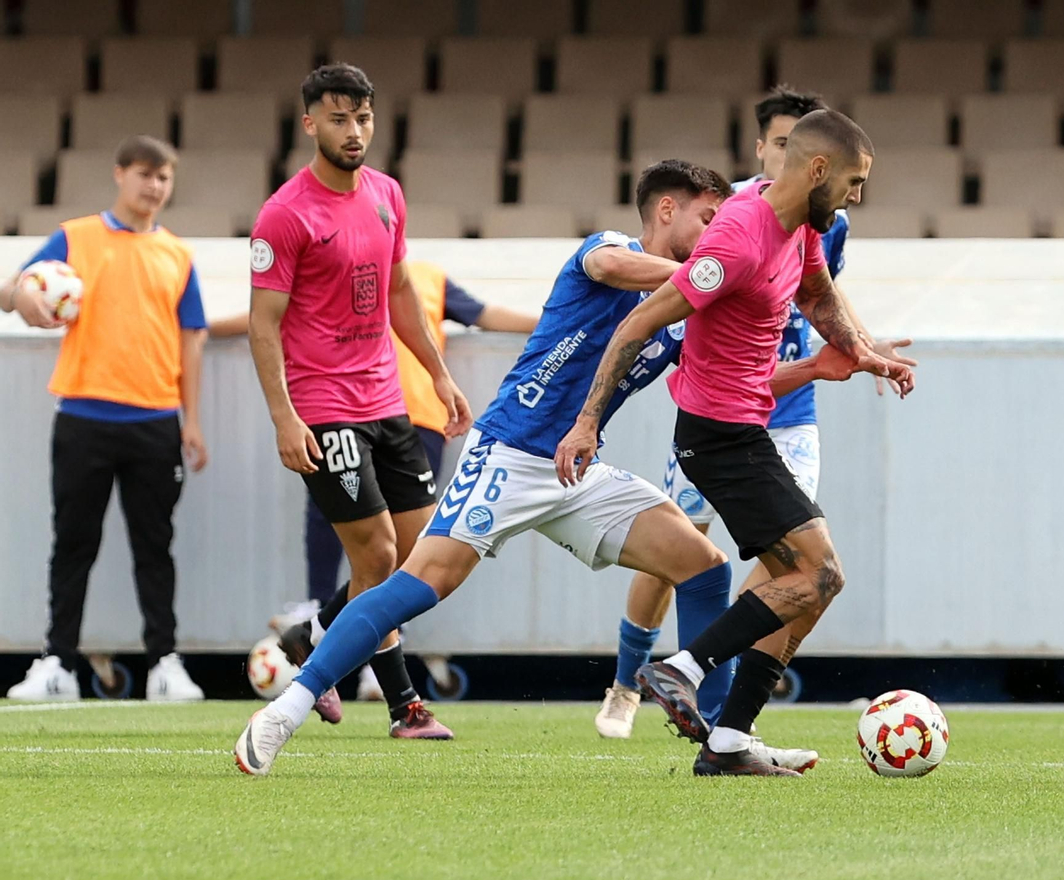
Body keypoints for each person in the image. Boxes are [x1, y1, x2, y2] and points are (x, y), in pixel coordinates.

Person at [234, 159, 877, 777]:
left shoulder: (688, 307)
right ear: (666, 209)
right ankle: (286, 709)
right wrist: (718, 272)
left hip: (578, 468)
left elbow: (729, 380)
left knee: (703, 567)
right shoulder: (610, 250)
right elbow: (614, 265)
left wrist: (815, 367)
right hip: (511, 452)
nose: (717, 234)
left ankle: (724, 741)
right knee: (420, 583)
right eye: (708, 220)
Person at [555, 109, 915, 777]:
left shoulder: (802, 225)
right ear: (818, 170)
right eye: (854, 181)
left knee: (808, 584)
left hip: (747, 427)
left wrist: (862, 352)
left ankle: (727, 741)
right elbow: (639, 322)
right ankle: (682, 669)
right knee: (820, 574)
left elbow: (817, 295)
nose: (858, 196)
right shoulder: (738, 239)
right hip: (718, 436)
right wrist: (587, 421)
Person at [246, 63, 471, 740]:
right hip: (323, 406)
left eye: (364, 118)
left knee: (420, 556)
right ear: (310, 123)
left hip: (387, 400)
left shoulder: (386, 194)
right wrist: (285, 418)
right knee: (375, 556)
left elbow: (400, 292)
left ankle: (312, 635)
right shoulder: (284, 214)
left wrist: (438, 374)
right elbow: (263, 325)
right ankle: (405, 707)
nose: (354, 131)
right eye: (339, 118)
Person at [210, 264, 538, 703]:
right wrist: (205, 326)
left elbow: (484, 314)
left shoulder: (424, 277)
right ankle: (325, 621)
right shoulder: (336, 268)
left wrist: (555, 322)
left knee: (409, 548)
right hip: (345, 411)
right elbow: (271, 315)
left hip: (415, 418)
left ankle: (341, 642)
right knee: (341, 523)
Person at [1, 135, 208, 702]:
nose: (154, 186)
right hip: (83, 416)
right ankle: (57, 663)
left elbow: (191, 338)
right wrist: (23, 300)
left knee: (154, 546)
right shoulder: (74, 237)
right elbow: (11, 287)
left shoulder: (178, 254)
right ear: (119, 174)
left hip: (155, 421)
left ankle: (164, 664)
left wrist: (192, 419)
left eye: (164, 177)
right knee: (73, 543)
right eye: (144, 174)